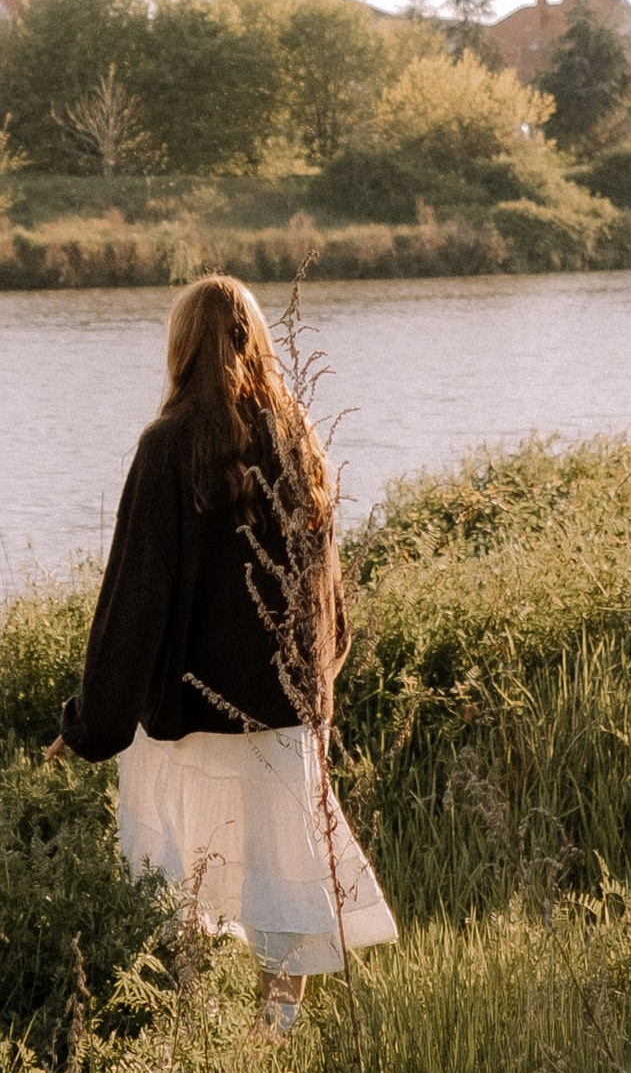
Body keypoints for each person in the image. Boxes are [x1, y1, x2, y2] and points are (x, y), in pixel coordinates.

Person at [47, 274, 397, 1030]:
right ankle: (275, 1037)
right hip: (281, 716)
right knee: (287, 882)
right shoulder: (298, 439)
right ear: (259, 342)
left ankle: (191, 1035)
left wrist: (91, 725)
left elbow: (134, 600)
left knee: (182, 888)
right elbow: (326, 592)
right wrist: (314, 694)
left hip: (188, 724)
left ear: (179, 349)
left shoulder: (166, 448)